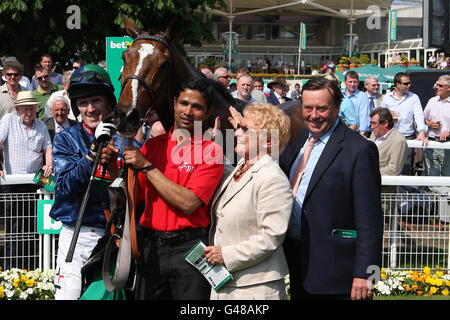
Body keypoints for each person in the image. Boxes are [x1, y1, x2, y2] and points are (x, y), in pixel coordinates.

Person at [102, 77, 225, 300]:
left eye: (197, 107)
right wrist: (112, 169)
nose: (188, 111)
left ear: (208, 113)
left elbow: (188, 203)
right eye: (184, 103)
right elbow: (133, 198)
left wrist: (147, 167)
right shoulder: (152, 146)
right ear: (174, 103)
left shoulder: (212, 152)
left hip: (190, 250)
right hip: (151, 250)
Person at [280, 77, 383, 300]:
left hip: (340, 277)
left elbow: (370, 219)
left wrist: (367, 274)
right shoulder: (300, 139)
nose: (314, 115)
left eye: (322, 108)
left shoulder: (360, 150)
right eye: (308, 108)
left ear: (337, 107)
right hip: (300, 266)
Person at [48, 64, 123, 300]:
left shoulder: (127, 140)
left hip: (119, 238)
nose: (90, 109)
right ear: (76, 108)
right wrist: (92, 154)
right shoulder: (65, 139)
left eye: (96, 101)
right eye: (83, 103)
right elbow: (66, 187)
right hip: (78, 237)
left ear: (109, 103)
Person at [205, 102, 292, 300]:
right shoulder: (241, 168)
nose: (237, 134)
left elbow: (271, 237)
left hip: (255, 290)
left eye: (245, 130)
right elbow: (225, 170)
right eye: (240, 128)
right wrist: (212, 145)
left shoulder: (272, 178)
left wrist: (225, 256)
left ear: (269, 141)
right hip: (226, 284)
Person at [0, 91, 52, 270]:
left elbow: (48, 148)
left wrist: (49, 165)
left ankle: (31, 268)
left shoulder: (41, 126)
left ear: (36, 108)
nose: (28, 111)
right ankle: (9, 270)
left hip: (34, 183)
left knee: (32, 228)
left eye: (31, 108)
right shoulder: (8, 120)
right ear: (18, 109)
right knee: (13, 229)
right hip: (12, 183)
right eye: (25, 108)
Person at [381, 72, 428, 174]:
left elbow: (419, 116)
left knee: (405, 167)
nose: (409, 85)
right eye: (406, 83)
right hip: (390, 137)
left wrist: (422, 131)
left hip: (407, 137)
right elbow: (380, 117)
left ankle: (402, 189)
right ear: (397, 85)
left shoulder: (414, 97)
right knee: (388, 165)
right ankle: (390, 189)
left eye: (409, 83)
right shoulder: (386, 98)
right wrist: (387, 115)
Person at [423, 75, 450, 176]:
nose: (437, 87)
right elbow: (423, 119)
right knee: (431, 176)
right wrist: (429, 123)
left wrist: (448, 132)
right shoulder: (432, 101)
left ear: (449, 88)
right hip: (431, 143)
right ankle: (431, 192)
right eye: (437, 84)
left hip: (447, 145)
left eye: (440, 85)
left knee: (447, 176)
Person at [369, 107, 407, 177]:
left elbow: (393, 170)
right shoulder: (374, 134)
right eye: (371, 123)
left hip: (383, 185)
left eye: (374, 123)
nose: (372, 127)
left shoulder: (399, 141)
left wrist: (367, 173)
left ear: (386, 123)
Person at [342, 71, 370, 135]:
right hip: (340, 131)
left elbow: (364, 114)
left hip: (356, 132)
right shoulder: (340, 94)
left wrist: (362, 132)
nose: (352, 84)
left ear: (358, 83)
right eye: (350, 82)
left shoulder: (362, 96)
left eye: (355, 82)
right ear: (345, 82)